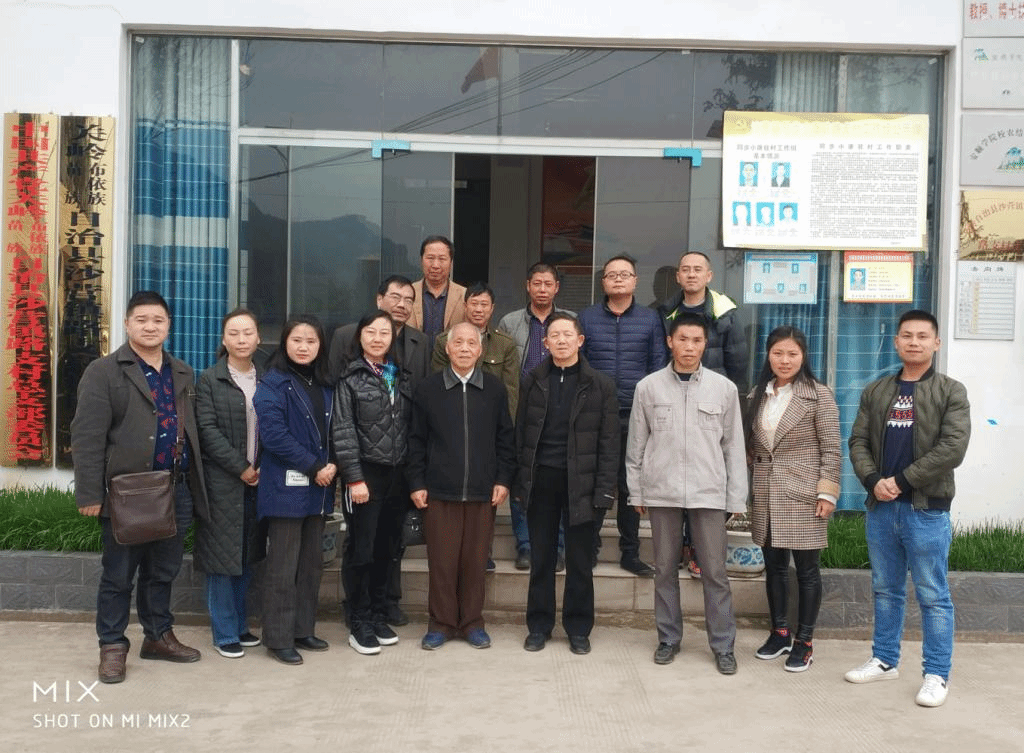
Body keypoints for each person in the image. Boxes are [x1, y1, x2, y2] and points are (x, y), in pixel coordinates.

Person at [71, 290, 208, 684]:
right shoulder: (104, 371)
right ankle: (112, 646)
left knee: (162, 571)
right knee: (118, 575)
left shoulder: (182, 371)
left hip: (173, 489)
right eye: (142, 320)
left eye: (158, 320)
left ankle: (158, 636)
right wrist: (90, 494)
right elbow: (87, 436)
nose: (150, 327)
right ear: (127, 324)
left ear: (169, 326)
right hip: (127, 493)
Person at [845, 310, 971, 708]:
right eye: (906, 336)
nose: (914, 342)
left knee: (933, 594)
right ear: (897, 342)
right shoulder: (877, 390)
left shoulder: (951, 391)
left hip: (926, 509)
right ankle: (884, 659)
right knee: (886, 589)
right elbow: (858, 441)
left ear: (936, 343)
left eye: (922, 336)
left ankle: (936, 674)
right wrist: (872, 480)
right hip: (882, 508)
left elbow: (952, 448)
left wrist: (901, 481)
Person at [626, 313, 747, 675]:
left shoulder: (724, 389)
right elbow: (636, 445)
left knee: (715, 572)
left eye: (696, 341)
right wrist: (636, 491)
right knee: (664, 569)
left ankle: (723, 645)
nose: (689, 347)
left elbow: (733, 447)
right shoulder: (648, 388)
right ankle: (668, 638)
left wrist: (735, 498)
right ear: (670, 342)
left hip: (708, 491)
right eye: (683, 339)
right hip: (661, 491)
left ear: (705, 344)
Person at [407, 322, 516, 650]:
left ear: (480, 350)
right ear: (448, 348)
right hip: (439, 491)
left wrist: (503, 479)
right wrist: (416, 482)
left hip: (483, 492)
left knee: (475, 562)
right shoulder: (428, 389)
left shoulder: (494, 390)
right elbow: (415, 439)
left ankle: (472, 623)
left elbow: (505, 439)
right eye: (459, 343)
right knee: (442, 562)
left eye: (472, 343)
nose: (465, 348)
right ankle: (440, 623)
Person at [516, 313, 619, 655]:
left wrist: (605, 490)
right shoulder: (533, 381)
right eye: (554, 335)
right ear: (545, 343)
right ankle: (539, 626)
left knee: (579, 561)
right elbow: (521, 435)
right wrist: (521, 482)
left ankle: (578, 628)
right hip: (541, 480)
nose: (561, 340)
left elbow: (609, 444)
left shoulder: (600, 385)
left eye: (567, 334)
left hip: (583, 484)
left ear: (580, 340)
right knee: (541, 558)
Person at [744, 326, 841, 672]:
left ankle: (805, 641)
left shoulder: (818, 395)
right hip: (766, 493)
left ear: (803, 356)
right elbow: (752, 445)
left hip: (804, 494)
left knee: (807, 570)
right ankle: (780, 633)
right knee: (773, 566)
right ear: (768, 355)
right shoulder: (758, 394)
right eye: (778, 353)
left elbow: (832, 448)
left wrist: (827, 492)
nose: (784, 360)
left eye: (792, 354)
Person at [659, 251, 749, 578]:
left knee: (707, 476)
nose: (692, 274)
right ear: (678, 277)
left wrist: (732, 402)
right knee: (676, 472)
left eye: (698, 269)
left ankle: (700, 549)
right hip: (674, 398)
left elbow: (738, 363)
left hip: (713, 403)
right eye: (685, 269)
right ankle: (681, 545)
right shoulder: (666, 311)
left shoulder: (725, 312)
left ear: (709, 276)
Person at [255, 314, 337, 666]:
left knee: (311, 564)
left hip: (319, 489)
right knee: (282, 566)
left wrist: (333, 465)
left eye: (311, 341)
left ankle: (303, 630)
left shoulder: (326, 383)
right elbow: (274, 436)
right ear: (284, 343)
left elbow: (336, 431)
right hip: (285, 488)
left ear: (321, 346)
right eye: (297, 340)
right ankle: (278, 637)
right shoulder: (273, 383)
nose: (304, 347)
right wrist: (315, 466)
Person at [578, 254, 667, 577]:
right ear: (603, 282)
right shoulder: (586, 318)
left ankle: (630, 552)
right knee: (594, 483)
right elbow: (579, 363)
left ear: (634, 281)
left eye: (624, 274)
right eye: (611, 274)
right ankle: (589, 550)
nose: (618, 279)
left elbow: (658, 364)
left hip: (635, 414)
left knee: (630, 486)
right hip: (595, 415)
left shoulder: (650, 319)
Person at [332, 310, 413, 655]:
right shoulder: (350, 379)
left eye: (385, 332)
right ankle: (359, 620)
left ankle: (378, 614)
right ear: (360, 336)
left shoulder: (402, 376)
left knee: (387, 548)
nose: (378, 338)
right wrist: (354, 478)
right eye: (371, 332)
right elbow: (343, 430)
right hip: (365, 475)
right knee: (362, 549)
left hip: (398, 475)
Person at [194, 308, 266, 659]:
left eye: (247, 332)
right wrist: (241, 468)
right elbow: (206, 431)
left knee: (246, 556)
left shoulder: (267, 379)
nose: (241, 339)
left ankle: (240, 625)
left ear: (258, 338)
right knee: (221, 560)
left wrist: (261, 468)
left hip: (259, 482)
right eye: (234, 333)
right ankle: (224, 633)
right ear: (224, 339)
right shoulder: (210, 380)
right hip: (222, 483)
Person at [497, 262, 574, 570]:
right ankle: (526, 545)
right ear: (527, 286)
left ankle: (557, 547)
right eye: (537, 283)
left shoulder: (570, 321)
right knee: (523, 478)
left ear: (557, 288)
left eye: (548, 284)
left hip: (560, 410)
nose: (542, 289)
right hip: (522, 410)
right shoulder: (510, 321)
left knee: (558, 480)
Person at [432, 281, 520, 418]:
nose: (479, 309)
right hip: (453, 412)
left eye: (484, 305)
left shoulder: (505, 344)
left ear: (492, 308)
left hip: (491, 414)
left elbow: (511, 391)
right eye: (474, 304)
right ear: (465, 306)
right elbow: (437, 385)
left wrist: (507, 424)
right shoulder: (445, 340)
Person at [328, 274, 430, 388]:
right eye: (395, 297)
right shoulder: (345, 336)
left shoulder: (421, 340)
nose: (402, 305)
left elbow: (424, 386)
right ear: (379, 300)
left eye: (408, 300)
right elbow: (333, 383)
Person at [407, 235, 466, 345]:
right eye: (430, 258)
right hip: (414, 355)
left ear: (451, 262)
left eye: (442, 259)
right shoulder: (407, 293)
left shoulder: (465, 296)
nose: (435, 265)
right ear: (421, 260)